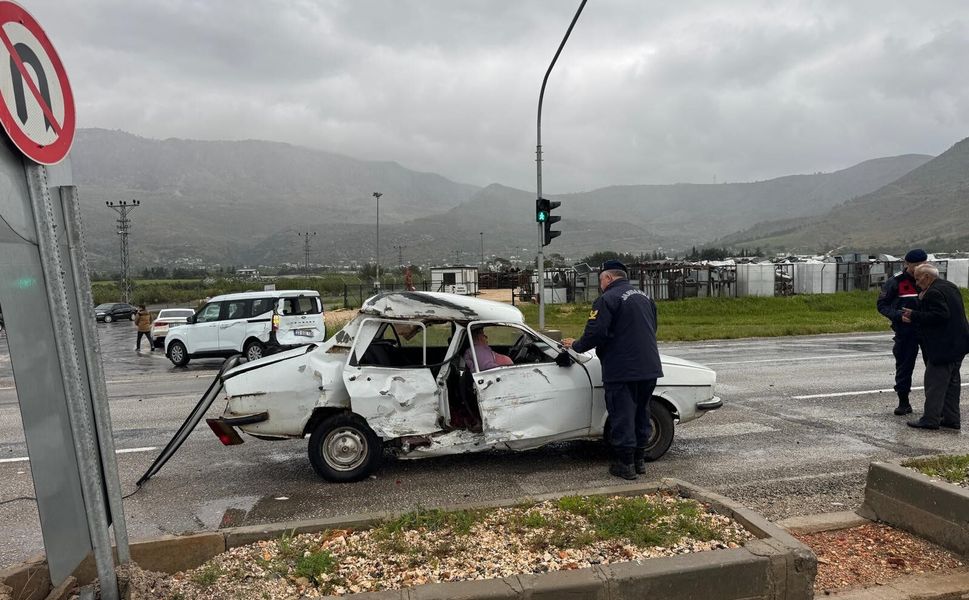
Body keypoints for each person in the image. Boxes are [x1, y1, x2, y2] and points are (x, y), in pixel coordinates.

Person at [563, 260, 663, 480]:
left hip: (622, 368)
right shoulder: (645, 297)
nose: (601, 285)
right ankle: (639, 461)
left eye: (601, 280)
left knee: (622, 415)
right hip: (649, 367)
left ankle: (625, 465)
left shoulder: (607, 299)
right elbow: (652, 327)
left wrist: (576, 345)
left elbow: (595, 332)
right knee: (641, 412)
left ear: (607, 278)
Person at [901, 263, 968, 430]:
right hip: (959, 344)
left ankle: (930, 419)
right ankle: (952, 419)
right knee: (952, 383)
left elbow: (940, 315)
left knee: (935, 383)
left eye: (918, 279)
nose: (916, 283)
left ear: (927, 277)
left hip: (943, 346)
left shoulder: (933, 292)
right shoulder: (949, 286)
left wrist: (914, 315)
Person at [876, 248, 927, 415]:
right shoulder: (895, 282)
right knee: (904, 366)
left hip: (928, 330)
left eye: (923, 264)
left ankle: (935, 404)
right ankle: (904, 402)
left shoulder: (930, 280)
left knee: (935, 366)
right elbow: (882, 305)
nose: (919, 268)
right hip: (906, 331)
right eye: (916, 265)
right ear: (907, 264)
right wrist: (898, 315)